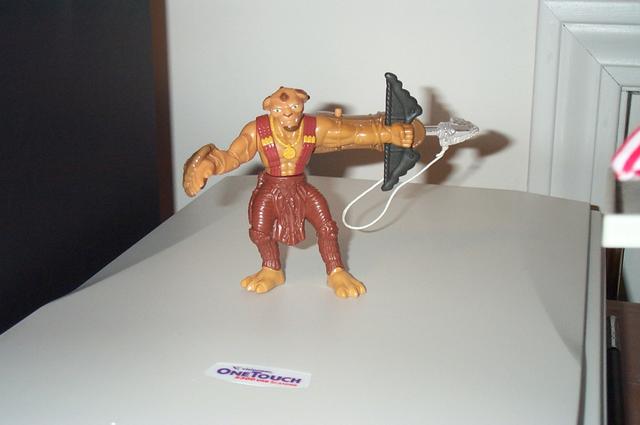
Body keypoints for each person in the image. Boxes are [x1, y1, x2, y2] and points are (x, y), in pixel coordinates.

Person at [183, 86, 425, 298]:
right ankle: (271, 269)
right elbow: (233, 156)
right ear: (269, 108)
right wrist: (211, 164)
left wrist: (389, 134)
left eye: (294, 107)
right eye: (279, 109)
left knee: (326, 226)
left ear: (302, 104)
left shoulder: (314, 127)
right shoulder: (258, 130)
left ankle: (336, 271)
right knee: (259, 230)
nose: (288, 114)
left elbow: (353, 135)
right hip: (271, 189)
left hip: (300, 188)